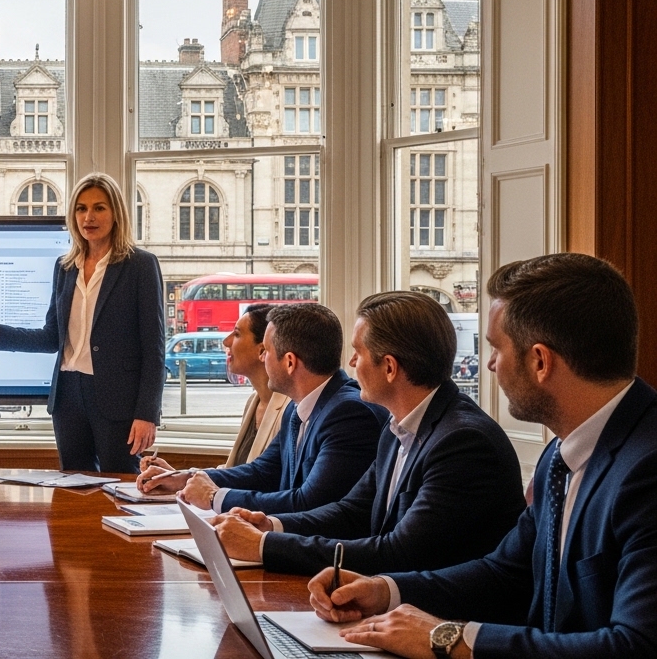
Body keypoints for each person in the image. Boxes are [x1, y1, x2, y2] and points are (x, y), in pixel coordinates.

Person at [311, 254, 657, 658]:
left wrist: (449, 638)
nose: (489, 364)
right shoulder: (559, 457)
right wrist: (386, 591)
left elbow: (634, 645)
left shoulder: (646, 467)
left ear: (540, 361)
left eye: (495, 348)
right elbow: (506, 572)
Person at [208, 291, 524, 574]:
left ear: (389, 367)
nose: (351, 362)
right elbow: (353, 511)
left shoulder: (463, 442)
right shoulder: (398, 426)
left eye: (359, 352)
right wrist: (270, 525)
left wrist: (265, 546)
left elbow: (399, 552)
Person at [0, 173, 165, 473]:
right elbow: (52, 337)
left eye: (99, 208)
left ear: (116, 213)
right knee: (73, 488)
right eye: (81, 208)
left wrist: (148, 413)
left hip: (118, 401)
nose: (88, 217)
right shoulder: (65, 267)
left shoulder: (140, 265)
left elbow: (154, 350)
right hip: (68, 398)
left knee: (120, 488)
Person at [139, 303, 387, 514]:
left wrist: (215, 498)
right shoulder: (298, 407)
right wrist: (185, 478)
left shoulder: (349, 414)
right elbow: (264, 470)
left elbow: (310, 502)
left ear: (290, 362)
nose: (262, 358)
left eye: (267, 351)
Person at [218, 303, 291, 467]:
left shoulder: (291, 410)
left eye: (236, 334)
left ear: (262, 351)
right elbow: (237, 472)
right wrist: (177, 476)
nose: (226, 341)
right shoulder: (253, 401)